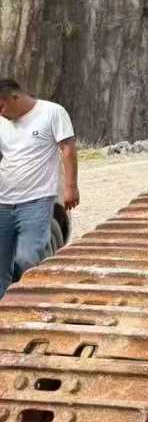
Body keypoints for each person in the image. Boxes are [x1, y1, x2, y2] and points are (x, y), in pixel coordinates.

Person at [0, 80, 78, 299]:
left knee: (27, 257)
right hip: (4, 201)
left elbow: (68, 148)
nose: (1, 114)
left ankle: (31, 300)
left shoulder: (52, 112)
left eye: (1, 107)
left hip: (37, 199)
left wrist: (70, 187)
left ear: (15, 97)